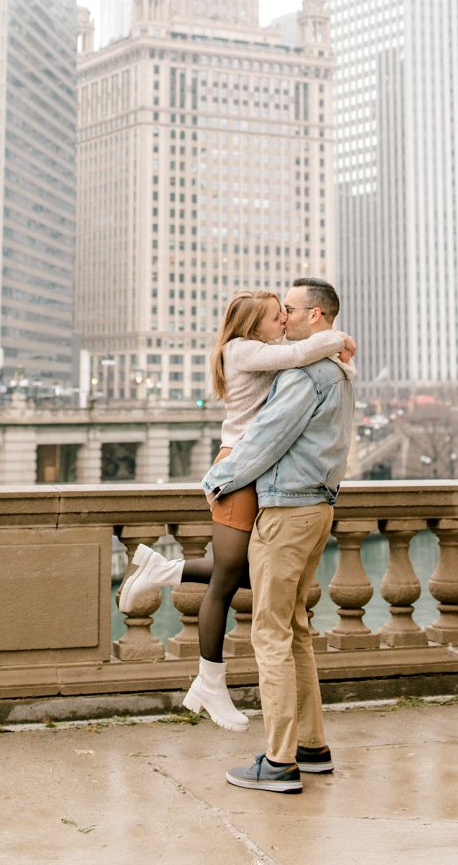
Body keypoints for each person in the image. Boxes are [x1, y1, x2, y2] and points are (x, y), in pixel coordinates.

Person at [118, 288, 356, 732]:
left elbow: (311, 358)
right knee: (230, 579)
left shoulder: (268, 351)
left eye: (286, 313)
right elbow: (309, 350)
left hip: (250, 468)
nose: (284, 321)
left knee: (250, 572)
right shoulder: (242, 350)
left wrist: (337, 347)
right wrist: (339, 338)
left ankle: (163, 572)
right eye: (275, 315)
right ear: (252, 325)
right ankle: (210, 681)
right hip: (238, 467)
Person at [201, 277, 355, 794]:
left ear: (316, 316)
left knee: (270, 633)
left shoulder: (305, 373)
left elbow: (266, 440)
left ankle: (279, 760)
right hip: (318, 508)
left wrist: (218, 478)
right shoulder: (336, 370)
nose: (283, 317)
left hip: (288, 511)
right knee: (296, 627)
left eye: (289, 309)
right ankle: (311, 747)